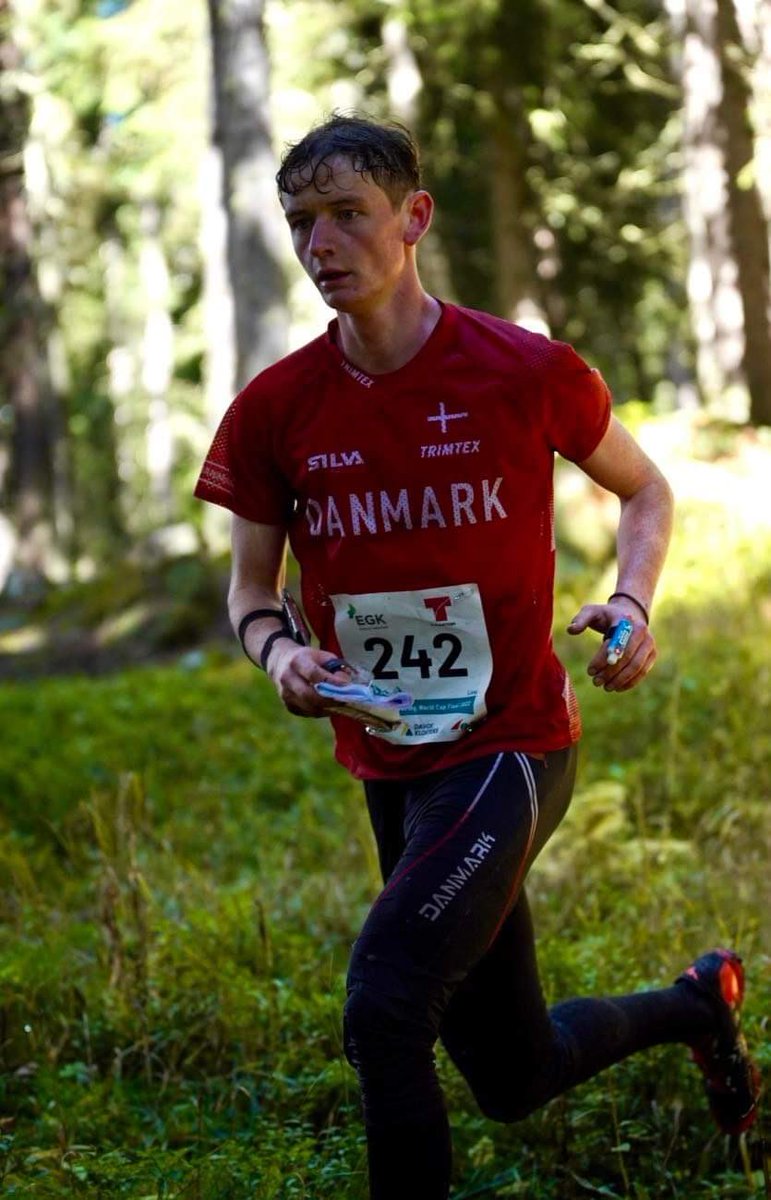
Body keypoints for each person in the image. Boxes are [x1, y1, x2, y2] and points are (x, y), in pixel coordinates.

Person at [194, 114, 760, 1199]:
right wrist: (279, 660)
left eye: (348, 216)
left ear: (413, 219)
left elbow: (645, 488)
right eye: (302, 223)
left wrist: (633, 602)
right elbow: (250, 595)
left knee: (383, 1009)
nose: (321, 245)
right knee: (512, 1072)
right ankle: (697, 1004)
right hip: (390, 764)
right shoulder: (275, 409)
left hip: (509, 748)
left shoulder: (521, 368)